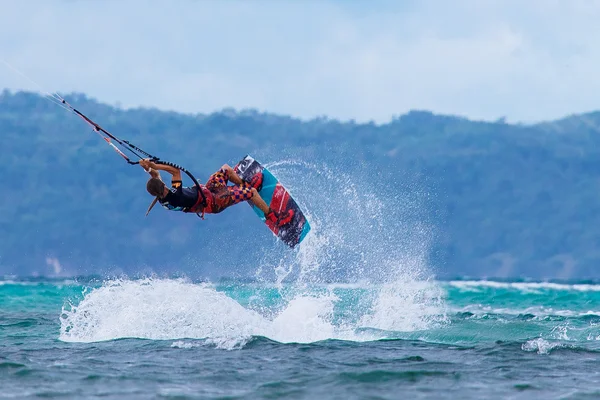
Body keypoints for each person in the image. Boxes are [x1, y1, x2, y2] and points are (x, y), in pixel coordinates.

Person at [139, 158, 294, 226]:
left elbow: (155, 176)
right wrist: (156, 165)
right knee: (252, 192)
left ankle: (242, 184)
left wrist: (147, 166)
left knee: (226, 169)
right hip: (214, 202)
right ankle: (272, 215)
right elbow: (175, 171)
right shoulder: (175, 196)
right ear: (163, 186)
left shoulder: (162, 196)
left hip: (209, 190)